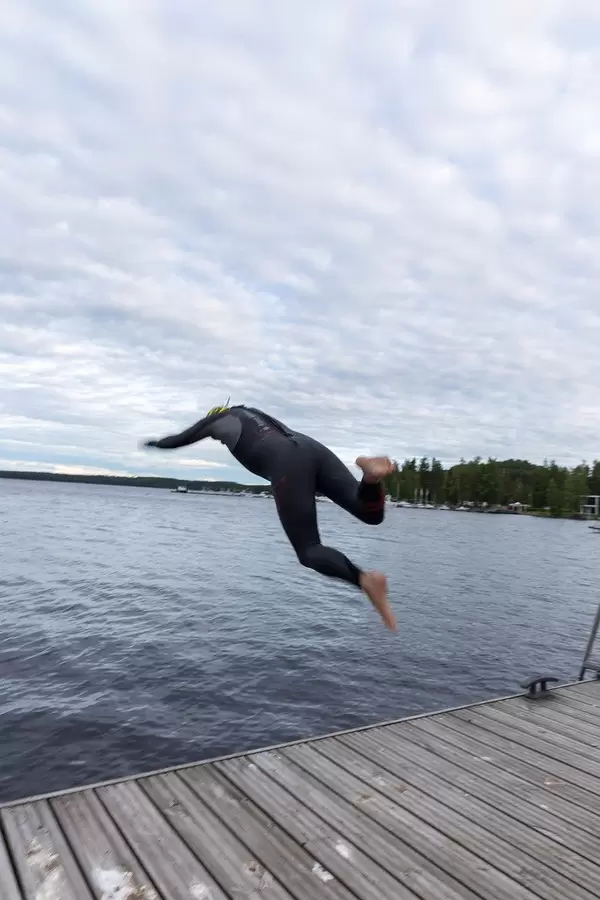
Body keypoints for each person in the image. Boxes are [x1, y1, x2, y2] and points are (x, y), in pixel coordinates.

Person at [142, 403, 397, 630]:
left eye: (216, 437)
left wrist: (155, 444)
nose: (218, 439)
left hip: (287, 461)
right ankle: (371, 476)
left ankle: (365, 579)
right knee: (369, 513)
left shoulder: (221, 418)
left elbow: (180, 438)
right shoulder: (254, 414)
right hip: (310, 448)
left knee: (308, 549)